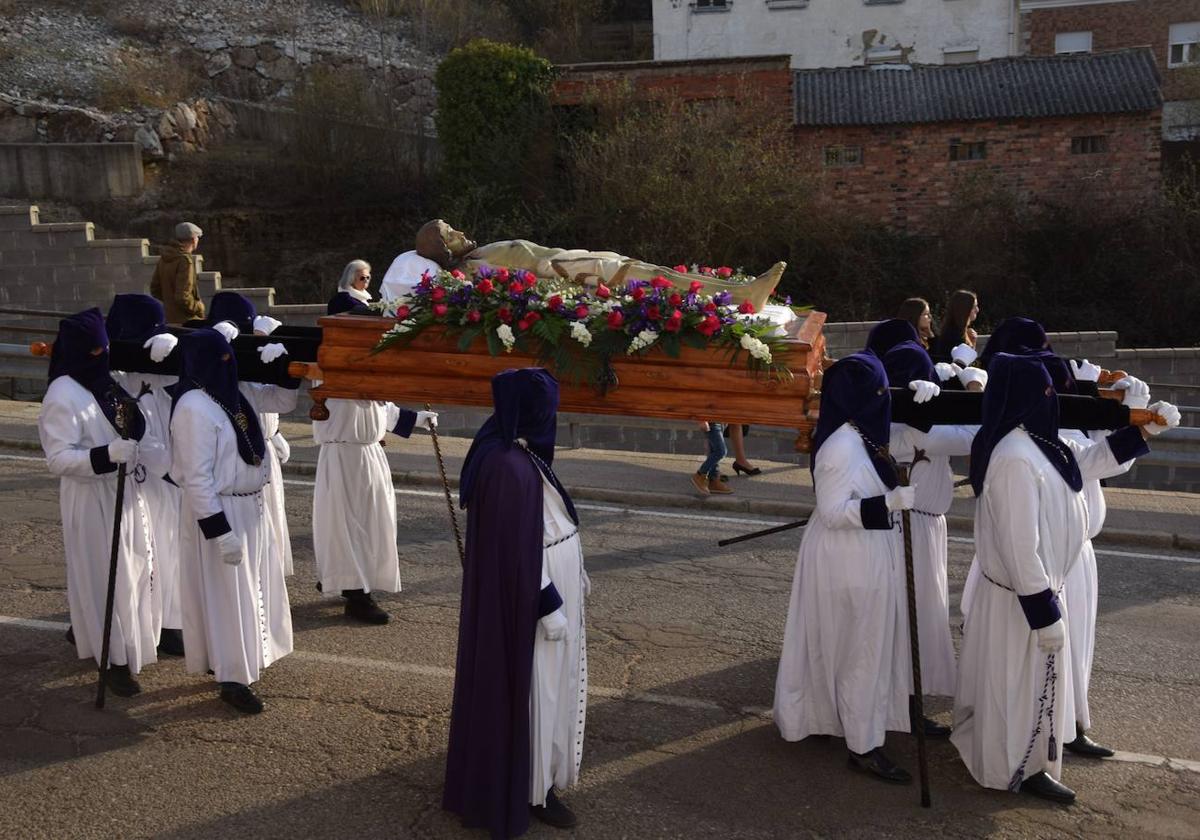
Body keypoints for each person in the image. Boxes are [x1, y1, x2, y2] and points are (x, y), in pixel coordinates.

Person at [951, 353, 1177, 803]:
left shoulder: (1043, 443)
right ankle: (1010, 767)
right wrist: (1043, 611)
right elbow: (1020, 547)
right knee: (1017, 688)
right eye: (1047, 392)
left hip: (1041, 592)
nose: (1054, 400)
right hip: (1022, 599)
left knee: (1033, 685)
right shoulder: (1014, 458)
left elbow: (1093, 459)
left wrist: (1145, 429)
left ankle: (1031, 761)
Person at [444, 368, 588, 837]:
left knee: (552, 686)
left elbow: (545, 521)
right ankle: (531, 787)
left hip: (550, 587)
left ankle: (539, 776)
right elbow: (514, 548)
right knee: (539, 690)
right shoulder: (507, 465)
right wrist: (547, 604)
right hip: (532, 603)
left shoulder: (522, 453)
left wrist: (577, 571)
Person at [773, 353, 920, 784]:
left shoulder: (861, 434)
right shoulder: (838, 447)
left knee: (848, 642)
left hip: (864, 552)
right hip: (847, 556)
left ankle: (827, 717)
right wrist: (888, 504)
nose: (883, 399)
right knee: (859, 647)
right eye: (876, 392)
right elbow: (834, 511)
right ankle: (862, 744)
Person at [170, 328, 301, 714]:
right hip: (223, 512)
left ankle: (246, 657)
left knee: (253, 587)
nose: (227, 364)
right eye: (219, 359)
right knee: (228, 595)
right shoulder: (194, 406)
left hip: (251, 507)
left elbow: (283, 401)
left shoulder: (233, 392)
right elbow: (196, 477)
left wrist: (285, 366)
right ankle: (231, 676)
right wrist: (218, 531)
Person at [38, 308, 167, 696]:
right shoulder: (62, 394)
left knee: (135, 571)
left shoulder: (104, 379)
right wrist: (105, 454)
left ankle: (110, 637)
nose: (102, 356)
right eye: (95, 351)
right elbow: (58, 459)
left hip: (124, 491)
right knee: (104, 575)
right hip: (90, 495)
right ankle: (112, 659)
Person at [312, 289, 437, 623]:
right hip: (345, 456)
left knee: (372, 524)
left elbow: (381, 405)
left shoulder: (362, 360)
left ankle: (344, 578)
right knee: (349, 525)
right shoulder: (330, 362)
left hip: (368, 454)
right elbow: (362, 394)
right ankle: (356, 594)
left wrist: (414, 419)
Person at [882, 341, 977, 720]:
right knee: (912, 619)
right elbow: (972, 437)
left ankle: (906, 701)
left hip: (923, 527)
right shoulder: (915, 426)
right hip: (912, 528)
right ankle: (903, 705)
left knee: (917, 617)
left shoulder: (908, 415)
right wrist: (972, 386)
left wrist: (948, 373)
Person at [105, 293, 185, 657]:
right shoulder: (113, 372)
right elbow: (137, 427)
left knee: (168, 552)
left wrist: (178, 348)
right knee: (140, 557)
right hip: (142, 474)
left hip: (164, 474)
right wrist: (170, 470)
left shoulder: (152, 363)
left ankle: (168, 622)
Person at [252, 314, 294, 579]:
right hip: (252, 448)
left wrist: (275, 433)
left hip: (268, 445)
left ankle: (273, 569)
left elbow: (276, 404)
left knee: (275, 509)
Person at [150, 222, 205, 324]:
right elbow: (183, 297)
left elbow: (155, 289)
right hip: (188, 322)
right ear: (193, 239)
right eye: (197, 238)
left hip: (170, 320)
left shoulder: (164, 258)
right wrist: (199, 308)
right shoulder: (184, 260)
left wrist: (170, 303)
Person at [930, 289, 979, 363]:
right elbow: (963, 364)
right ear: (964, 309)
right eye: (974, 307)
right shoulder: (954, 335)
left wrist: (972, 342)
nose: (977, 310)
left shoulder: (958, 331)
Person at [692, 421, 733, 495]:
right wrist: (702, 419)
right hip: (711, 422)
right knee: (720, 451)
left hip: (719, 421)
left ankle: (713, 480)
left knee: (713, 450)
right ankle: (700, 474)